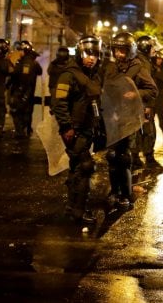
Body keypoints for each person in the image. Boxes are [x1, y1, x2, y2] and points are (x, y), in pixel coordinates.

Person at [51, 35, 103, 223]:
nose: (92, 58)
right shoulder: (69, 74)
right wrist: (66, 126)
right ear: (81, 53)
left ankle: (72, 207)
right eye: (88, 54)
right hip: (75, 130)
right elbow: (59, 102)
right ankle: (79, 211)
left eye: (95, 55)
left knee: (76, 168)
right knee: (85, 166)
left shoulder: (93, 75)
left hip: (87, 129)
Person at [104, 32, 158, 209]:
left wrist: (135, 93)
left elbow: (152, 90)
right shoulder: (111, 67)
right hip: (112, 117)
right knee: (112, 157)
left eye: (123, 50)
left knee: (125, 157)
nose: (119, 54)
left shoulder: (139, 67)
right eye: (117, 50)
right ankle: (114, 191)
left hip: (130, 118)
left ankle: (126, 194)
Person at [132, 34, 161, 169]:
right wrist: (147, 105)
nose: (154, 50)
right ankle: (144, 159)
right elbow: (144, 86)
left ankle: (138, 158)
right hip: (142, 104)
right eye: (152, 47)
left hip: (141, 103)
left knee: (142, 131)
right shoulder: (142, 63)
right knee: (147, 131)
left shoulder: (144, 61)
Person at [7, 40, 42, 138]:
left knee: (17, 112)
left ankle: (20, 132)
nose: (19, 53)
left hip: (20, 92)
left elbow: (15, 76)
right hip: (29, 93)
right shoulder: (33, 62)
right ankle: (26, 130)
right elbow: (40, 72)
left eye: (21, 50)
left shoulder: (23, 63)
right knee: (27, 112)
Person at [151, 48, 163, 147]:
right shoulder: (150, 69)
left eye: (161, 59)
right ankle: (152, 139)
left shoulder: (161, 70)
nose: (160, 60)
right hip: (152, 97)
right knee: (150, 120)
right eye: (158, 59)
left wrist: (158, 72)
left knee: (162, 120)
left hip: (160, 97)